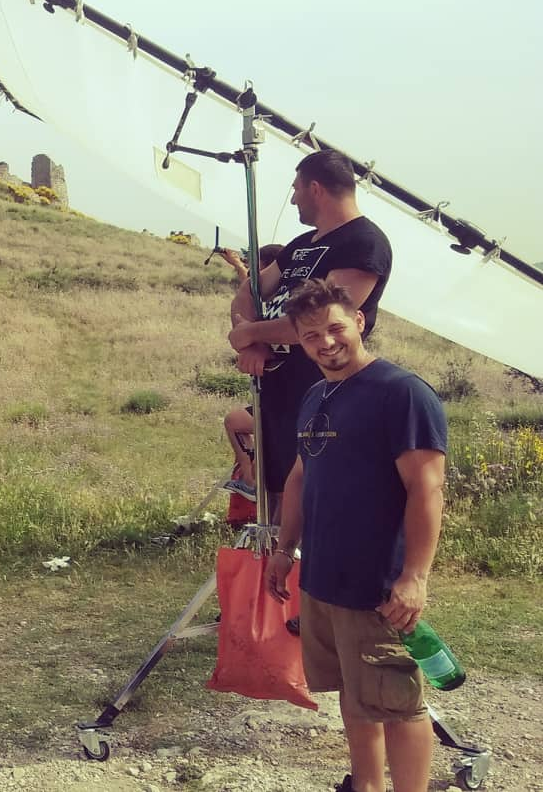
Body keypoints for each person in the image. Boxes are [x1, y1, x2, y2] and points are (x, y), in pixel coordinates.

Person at [264, 279, 446, 792]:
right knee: (353, 689)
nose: (325, 342)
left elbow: (427, 489)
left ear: (359, 322)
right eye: (311, 335)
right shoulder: (316, 394)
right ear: (299, 341)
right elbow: (301, 475)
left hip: (379, 584)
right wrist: (283, 550)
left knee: (397, 700)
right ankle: (366, 785)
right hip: (325, 578)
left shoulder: (401, 392)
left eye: (335, 328)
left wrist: (414, 576)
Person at [227, 149, 392, 512]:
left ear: (315, 188)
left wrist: (252, 334)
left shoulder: (363, 244)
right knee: (275, 497)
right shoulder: (300, 246)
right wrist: (251, 342)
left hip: (320, 392)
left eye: (295, 189)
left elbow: (318, 325)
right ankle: (278, 564)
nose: (292, 199)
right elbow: (247, 292)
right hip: (274, 391)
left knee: (311, 497)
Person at [217, 243, 284, 505]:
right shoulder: (276, 296)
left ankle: (251, 481)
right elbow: (250, 286)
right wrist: (236, 264)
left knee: (234, 421)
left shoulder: (279, 300)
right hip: (270, 390)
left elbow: (252, 288)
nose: (257, 273)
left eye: (259, 266)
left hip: (280, 393)